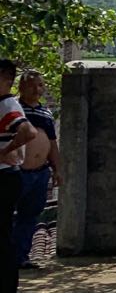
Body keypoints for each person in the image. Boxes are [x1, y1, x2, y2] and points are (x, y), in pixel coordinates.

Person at [0, 59, 39, 293]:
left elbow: (27, 131)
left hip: (4, 176)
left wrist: (4, 152)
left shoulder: (7, 104)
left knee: (3, 239)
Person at [13, 70, 60, 270]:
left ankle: (20, 257)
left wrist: (58, 169)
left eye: (40, 85)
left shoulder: (45, 113)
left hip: (40, 172)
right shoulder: (13, 109)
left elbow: (52, 143)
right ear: (21, 87)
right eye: (32, 85)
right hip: (15, 171)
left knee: (30, 216)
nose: (36, 89)